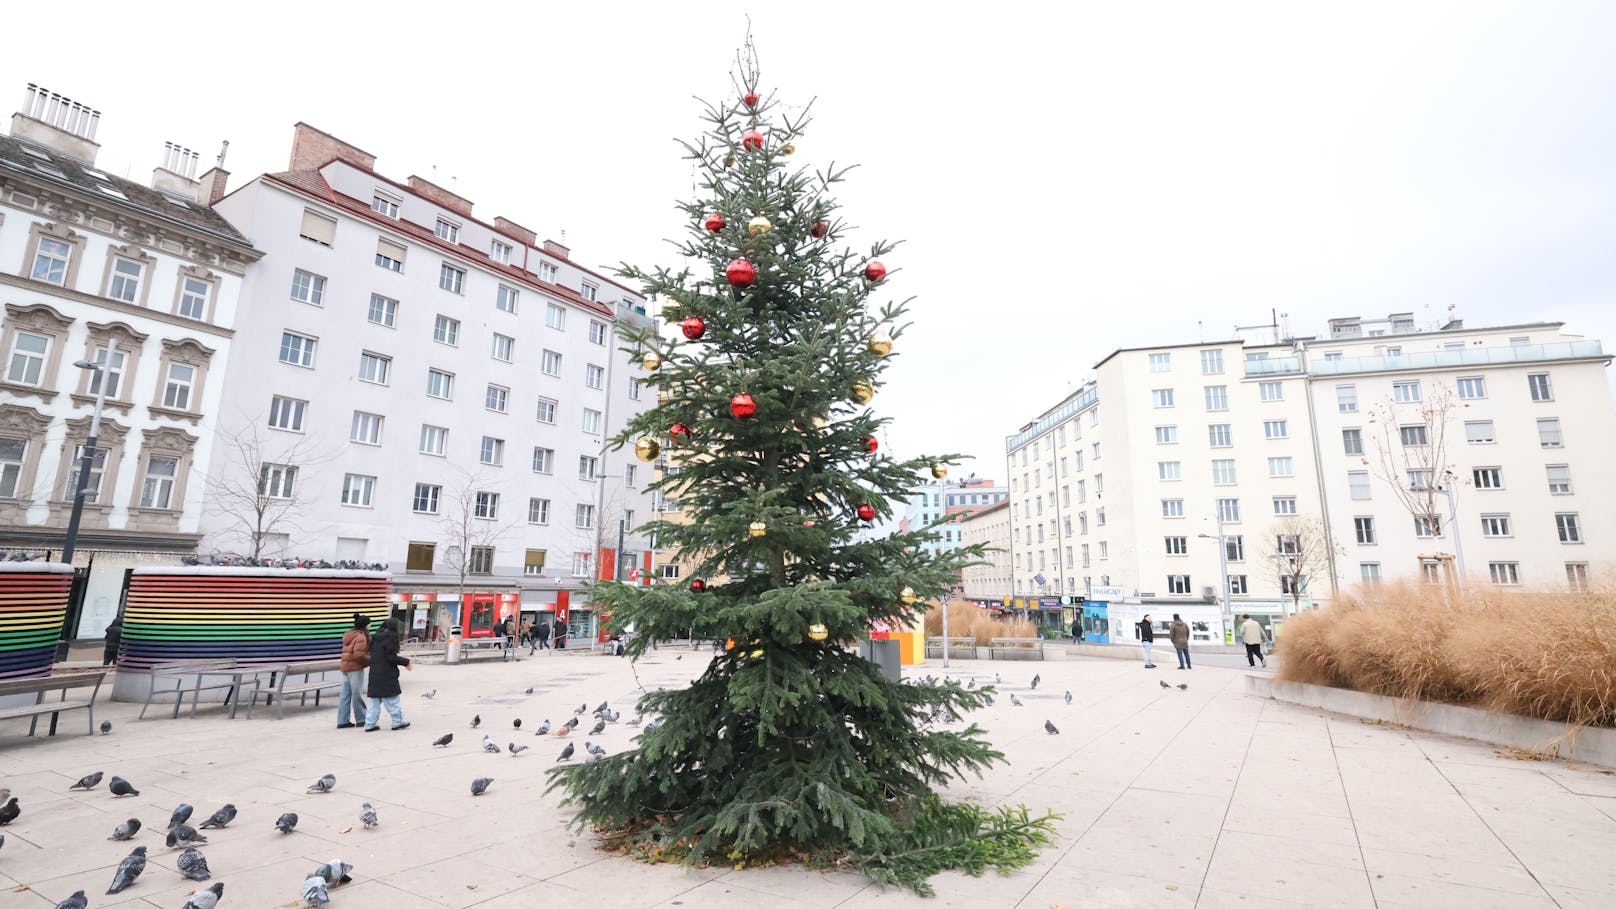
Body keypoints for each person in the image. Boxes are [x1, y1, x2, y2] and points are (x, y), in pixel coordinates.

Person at [364, 618, 413, 731]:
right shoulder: (390, 638)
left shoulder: (376, 637)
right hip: (387, 674)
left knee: (374, 702)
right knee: (392, 700)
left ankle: (370, 724)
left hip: (375, 673)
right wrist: (406, 662)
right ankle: (397, 722)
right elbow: (390, 657)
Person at [337, 614, 371, 729]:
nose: (370, 625)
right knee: (357, 694)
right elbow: (358, 654)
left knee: (345, 695)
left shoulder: (349, 635)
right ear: (365, 625)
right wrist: (370, 661)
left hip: (346, 667)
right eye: (369, 623)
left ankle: (342, 721)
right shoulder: (361, 637)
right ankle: (361, 719)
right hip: (355, 668)